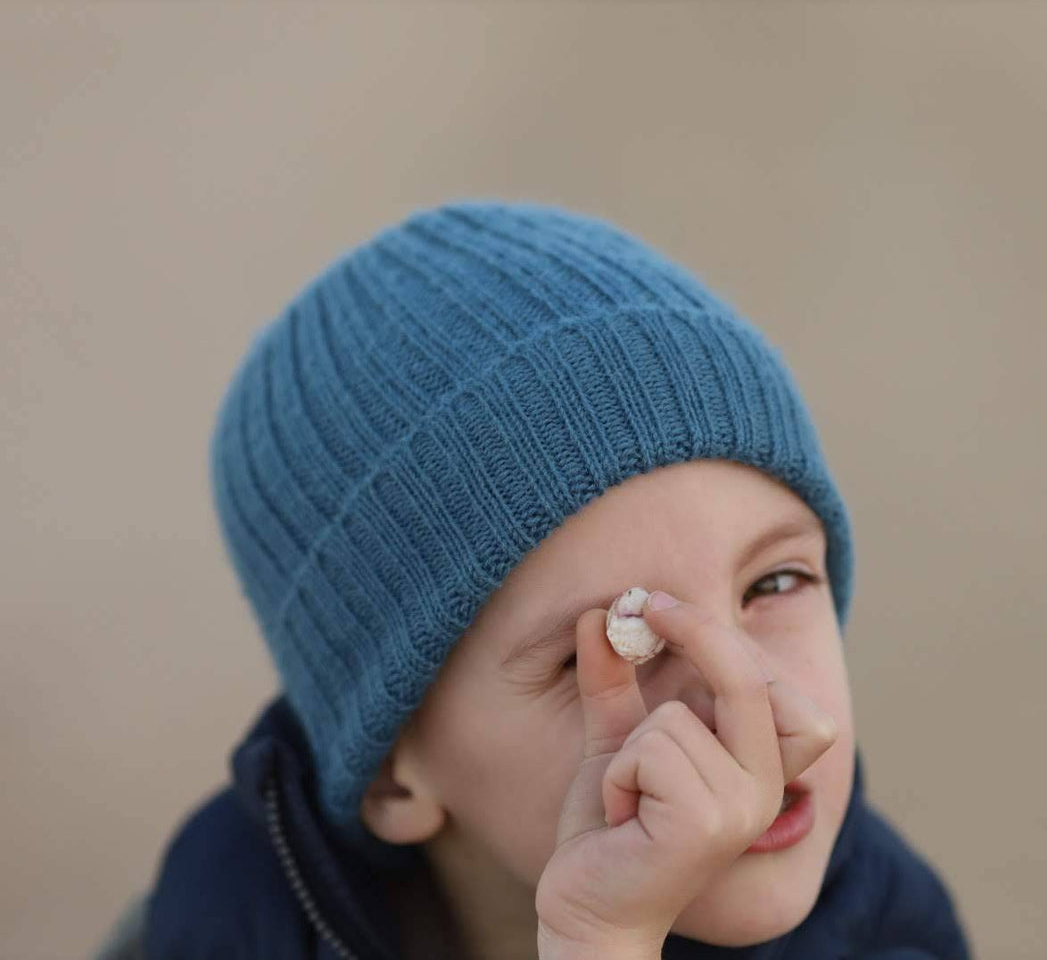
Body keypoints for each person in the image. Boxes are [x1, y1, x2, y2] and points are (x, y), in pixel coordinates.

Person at [95, 200, 973, 959]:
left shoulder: (885, 929)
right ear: (393, 780)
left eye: (775, 584)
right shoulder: (213, 926)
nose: (762, 707)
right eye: (613, 648)